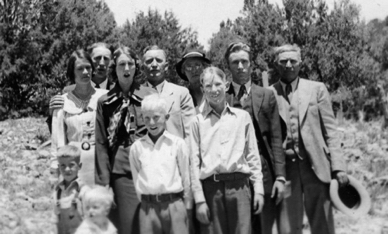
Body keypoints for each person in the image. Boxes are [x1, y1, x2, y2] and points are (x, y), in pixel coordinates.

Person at [269, 44, 349, 234]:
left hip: (316, 167)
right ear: (276, 64)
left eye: (293, 61)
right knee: (288, 226)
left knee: (322, 223)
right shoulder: (269, 93)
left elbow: (330, 130)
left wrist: (338, 166)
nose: (289, 65)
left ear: (300, 63)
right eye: (283, 61)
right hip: (286, 171)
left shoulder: (317, 89)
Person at [189, 66, 264, 234]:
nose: (213, 90)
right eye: (208, 86)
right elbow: (193, 162)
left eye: (217, 84)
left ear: (226, 84)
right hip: (211, 189)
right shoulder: (197, 122)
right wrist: (199, 199)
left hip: (239, 188)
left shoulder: (242, 117)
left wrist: (258, 188)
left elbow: (252, 156)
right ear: (202, 89)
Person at [224, 42, 286, 234]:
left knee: (264, 227)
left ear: (251, 64)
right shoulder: (222, 97)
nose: (240, 67)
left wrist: (281, 177)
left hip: (264, 174)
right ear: (228, 66)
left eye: (244, 61)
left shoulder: (266, 96)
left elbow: (276, 138)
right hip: (234, 176)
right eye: (235, 63)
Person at [95, 46, 155, 234]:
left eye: (130, 64)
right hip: (122, 172)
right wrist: (104, 184)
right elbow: (101, 144)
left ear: (136, 67)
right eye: (122, 64)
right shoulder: (105, 101)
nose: (126, 69)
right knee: (128, 226)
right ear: (114, 68)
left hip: (150, 169)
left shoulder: (150, 97)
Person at [129, 94, 191, 234]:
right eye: (146, 118)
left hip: (174, 205)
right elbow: (136, 179)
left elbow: (186, 176)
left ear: (166, 117)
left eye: (156, 117)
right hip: (148, 208)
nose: (151, 123)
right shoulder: (137, 147)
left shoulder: (177, 144)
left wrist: (186, 205)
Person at [51, 49, 108, 186]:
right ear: (72, 72)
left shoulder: (105, 97)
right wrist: (56, 173)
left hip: (101, 165)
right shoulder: (62, 102)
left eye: (88, 67)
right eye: (80, 69)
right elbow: (57, 142)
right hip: (73, 166)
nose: (85, 72)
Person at [47, 42, 113, 132]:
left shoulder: (116, 91)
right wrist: (52, 113)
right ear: (89, 59)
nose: (101, 63)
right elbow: (58, 131)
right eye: (97, 58)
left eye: (106, 58)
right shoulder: (67, 92)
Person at [142, 45, 195, 139]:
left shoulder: (181, 94)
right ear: (143, 67)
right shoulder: (136, 95)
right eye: (149, 61)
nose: (154, 64)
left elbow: (191, 134)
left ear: (166, 66)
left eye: (158, 60)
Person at [53, 144, 88, 234]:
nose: (67, 169)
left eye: (71, 165)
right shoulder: (57, 191)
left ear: (79, 166)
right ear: (58, 167)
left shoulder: (84, 191)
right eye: (63, 165)